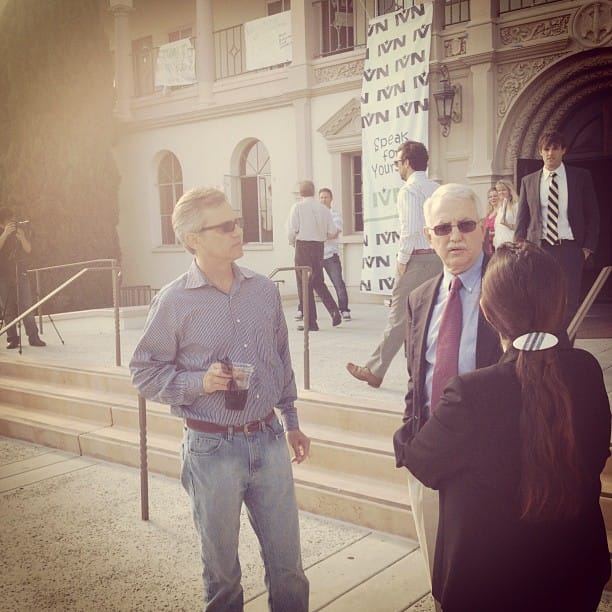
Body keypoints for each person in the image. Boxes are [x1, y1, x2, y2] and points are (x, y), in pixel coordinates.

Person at [394, 241, 610, 612]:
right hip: (576, 573)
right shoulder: (588, 370)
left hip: (491, 585)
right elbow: (595, 453)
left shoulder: (470, 394)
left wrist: (405, 433)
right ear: (560, 304)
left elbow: (421, 461)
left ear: (487, 312)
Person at [130, 187, 310, 611]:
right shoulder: (173, 301)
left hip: (269, 439)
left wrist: (292, 421)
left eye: (238, 222)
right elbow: (143, 372)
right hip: (211, 450)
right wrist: (201, 382)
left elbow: (280, 359)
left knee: (289, 570)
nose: (238, 231)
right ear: (194, 239)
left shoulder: (264, 290)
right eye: (226, 226)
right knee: (222, 577)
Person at [392, 183, 502, 610]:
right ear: (428, 236)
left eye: (465, 225)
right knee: (441, 582)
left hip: (490, 463)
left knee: (491, 579)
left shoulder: (507, 285)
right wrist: (409, 445)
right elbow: (415, 378)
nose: (455, 236)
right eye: (443, 228)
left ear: (483, 229)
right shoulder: (419, 298)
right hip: (430, 459)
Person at [346, 140, 441, 388]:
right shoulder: (437, 188)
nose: (397, 167)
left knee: (399, 317)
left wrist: (402, 260)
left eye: (397, 163)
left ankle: (375, 370)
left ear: (407, 163)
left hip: (417, 259)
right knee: (428, 317)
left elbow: (410, 230)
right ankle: (421, 373)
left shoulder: (408, 191)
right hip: (438, 259)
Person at [515, 129, 599, 327]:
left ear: (563, 150)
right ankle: (544, 341)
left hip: (570, 249)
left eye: (555, 148)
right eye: (546, 149)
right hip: (538, 249)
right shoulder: (529, 181)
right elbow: (522, 219)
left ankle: (566, 343)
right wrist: (519, 249)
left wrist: (587, 248)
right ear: (540, 152)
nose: (550, 153)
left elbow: (593, 215)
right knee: (539, 299)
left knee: (569, 303)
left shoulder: (580, 177)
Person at [288, 180, 342, 332]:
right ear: (313, 191)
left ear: (300, 193)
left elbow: (292, 229)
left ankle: (311, 321)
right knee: (317, 281)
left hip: (303, 246)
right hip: (319, 247)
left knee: (303, 283)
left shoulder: (297, 207)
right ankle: (334, 311)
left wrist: (292, 242)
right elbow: (332, 231)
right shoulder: (324, 209)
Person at [0, 206, 46, 349]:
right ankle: (13, 339)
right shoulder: (3, 233)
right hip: (3, 276)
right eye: (9, 220)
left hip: (20, 273)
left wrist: (22, 238)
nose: (12, 222)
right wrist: (5, 234)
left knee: (27, 306)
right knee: (8, 309)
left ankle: (34, 337)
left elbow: (29, 250)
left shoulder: (19, 230)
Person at [319, 187, 351, 320]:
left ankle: (344, 309)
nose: (323, 200)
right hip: (316, 255)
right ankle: (302, 310)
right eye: (321, 197)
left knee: (338, 282)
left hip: (330, 255)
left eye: (326, 197)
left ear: (331, 199)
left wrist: (319, 235)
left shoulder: (335, 215)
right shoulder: (315, 215)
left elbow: (334, 233)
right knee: (309, 283)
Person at [492, 178, 518, 249]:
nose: (501, 192)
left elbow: (520, 227)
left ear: (510, 190)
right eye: (498, 190)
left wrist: (508, 225)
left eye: (503, 190)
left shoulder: (516, 206)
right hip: (499, 244)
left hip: (510, 243)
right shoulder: (500, 207)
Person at [483, 187, 498, 255]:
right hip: (488, 244)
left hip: (497, 244)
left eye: (495, 196)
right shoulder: (489, 213)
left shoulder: (501, 211)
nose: (492, 198)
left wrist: (490, 233)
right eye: (490, 197)